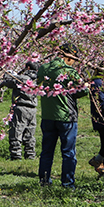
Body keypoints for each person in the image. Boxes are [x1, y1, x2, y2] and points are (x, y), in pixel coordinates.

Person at [37, 42, 87, 189]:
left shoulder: (43, 68)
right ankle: (67, 184)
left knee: (47, 151)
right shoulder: (68, 71)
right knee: (68, 152)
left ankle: (44, 181)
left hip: (47, 115)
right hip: (66, 117)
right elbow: (82, 90)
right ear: (69, 57)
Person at [0, 62, 39, 160]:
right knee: (30, 133)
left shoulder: (22, 79)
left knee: (17, 131)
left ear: (28, 68)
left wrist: (10, 73)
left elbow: (7, 81)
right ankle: (30, 155)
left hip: (21, 108)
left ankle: (16, 155)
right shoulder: (37, 80)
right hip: (33, 109)